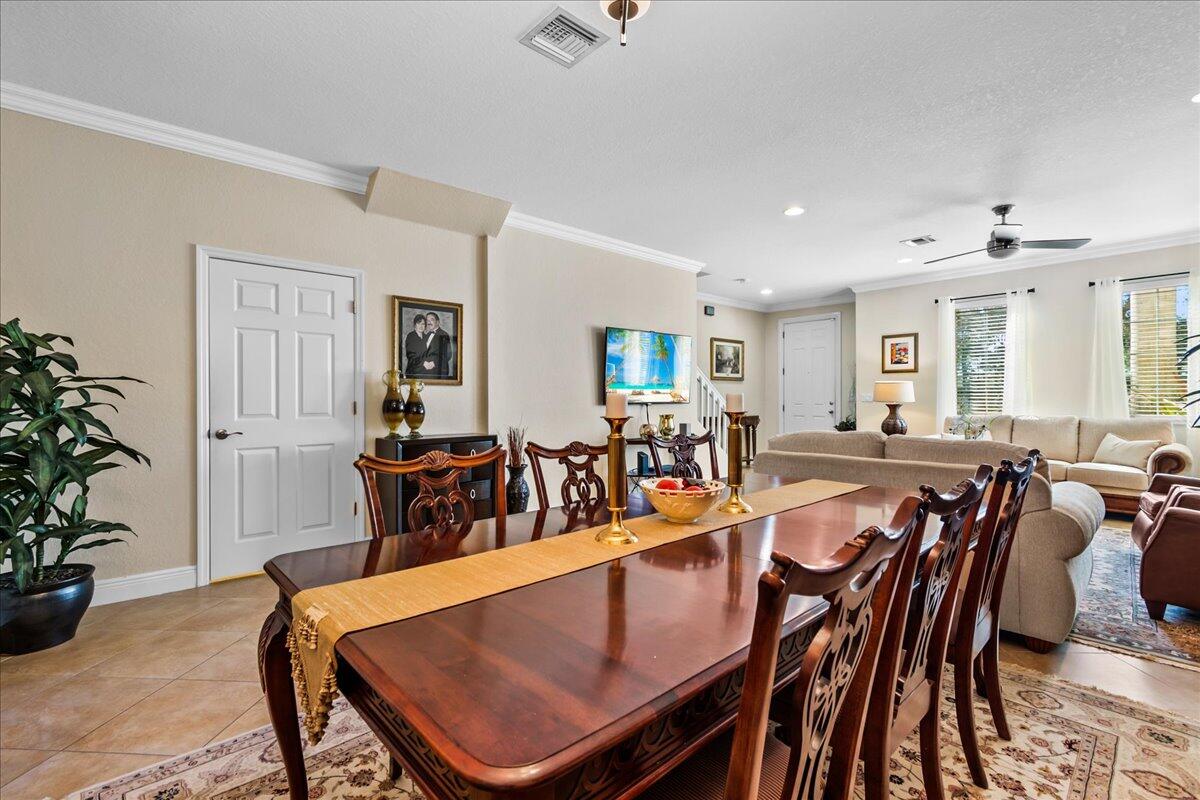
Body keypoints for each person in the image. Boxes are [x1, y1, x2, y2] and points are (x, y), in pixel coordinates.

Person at [424, 311, 453, 378]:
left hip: (439, 372)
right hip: (426, 372)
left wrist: (433, 363)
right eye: (427, 320)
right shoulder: (426, 335)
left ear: (437, 322)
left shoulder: (444, 334)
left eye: (432, 320)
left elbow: (448, 354)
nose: (429, 322)